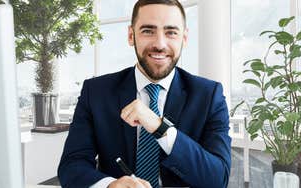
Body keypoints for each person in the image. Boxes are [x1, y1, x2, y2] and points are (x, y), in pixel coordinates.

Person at [57, 0, 231, 187]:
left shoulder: (209, 95)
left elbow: (217, 179)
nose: (160, 44)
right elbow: (71, 165)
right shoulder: (96, 92)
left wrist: (159, 127)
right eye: (148, 31)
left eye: (171, 32)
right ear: (131, 35)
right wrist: (109, 185)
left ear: (184, 38)